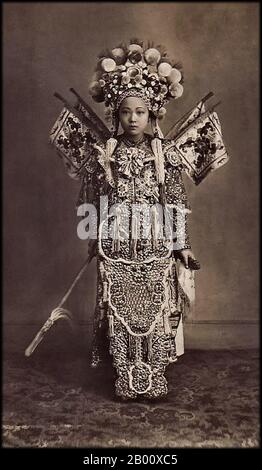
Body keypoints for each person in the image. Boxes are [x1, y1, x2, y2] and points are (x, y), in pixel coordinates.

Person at [52, 40, 227, 400]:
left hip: (155, 243)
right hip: (116, 243)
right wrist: (93, 238)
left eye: (141, 112)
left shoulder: (164, 154)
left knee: (155, 306)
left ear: (152, 115)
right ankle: (125, 372)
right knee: (119, 309)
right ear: (116, 113)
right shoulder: (106, 155)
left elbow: (175, 201)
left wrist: (183, 246)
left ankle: (154, 372)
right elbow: (94, 199)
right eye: (126, 112)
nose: (133, 119)